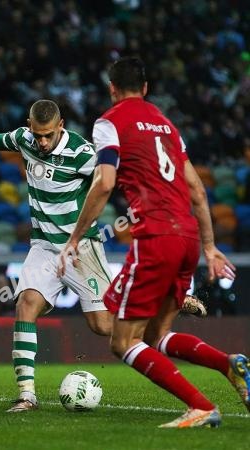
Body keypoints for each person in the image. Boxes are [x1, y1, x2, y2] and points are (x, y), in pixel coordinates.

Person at [58, 56, 249, 428]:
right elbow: (197, 189)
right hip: (187, 238)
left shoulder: (109, 123)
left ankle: (201, 406)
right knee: (156, 334)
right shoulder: (167, 126)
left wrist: (75, 237)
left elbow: (105, 183)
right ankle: (229, 364)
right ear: (145, 88)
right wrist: (209, 247)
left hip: (155, 237)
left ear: (112, 89)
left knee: (122, 342)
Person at [0, 98, 113, 411]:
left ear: (61, 126)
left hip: (81, 248)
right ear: (29, 127)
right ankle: (27, 395)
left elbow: (111, 181)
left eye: (48, 135)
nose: (42, 142)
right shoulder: (24, 139)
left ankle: (162, 308)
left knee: (103, 326)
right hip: (43, 247)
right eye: (37, 135)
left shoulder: (81, 153)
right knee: (25, 304)